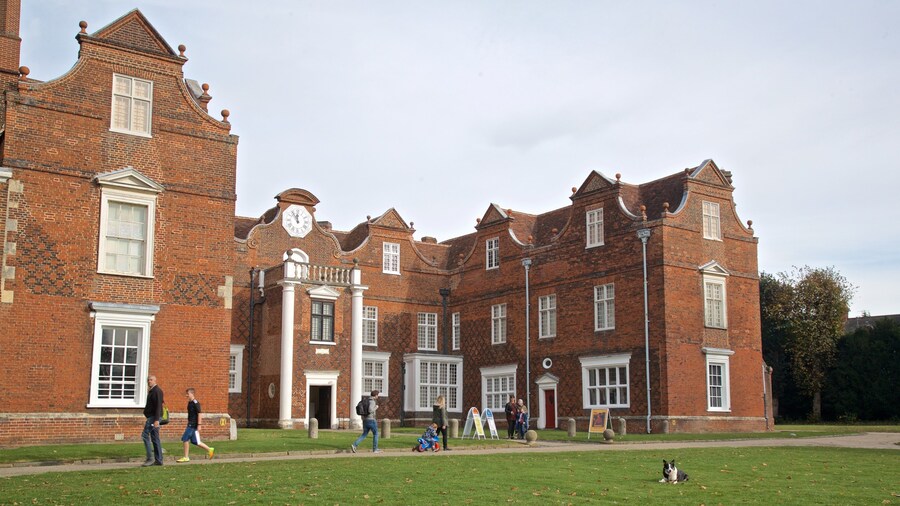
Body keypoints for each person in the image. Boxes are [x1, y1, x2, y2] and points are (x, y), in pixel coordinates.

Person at [176, 388, 215, 463]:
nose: (186, 395)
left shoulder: (195, 403)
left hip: (193, 425)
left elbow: (199, 413)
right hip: (190, 423)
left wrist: (199, 425)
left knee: (185, 439)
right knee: (195, 441)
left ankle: (186, 457)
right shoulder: (189, 403)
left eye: (187, 394)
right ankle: (210, 449)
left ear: (192, 394)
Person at [141, 374, 164, 466]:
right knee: (155, 438)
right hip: (152, 417)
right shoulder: (152, 391)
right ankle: (159, 460)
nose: (149, 381)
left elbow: (158, 406)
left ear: (155, 380)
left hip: (154, 418)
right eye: (148, 380)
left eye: (151, 380)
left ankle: (150, 458)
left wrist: (156, 420)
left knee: (145, 435)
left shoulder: (157, 391)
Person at [351, 389, 381, 453]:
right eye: (377, 395)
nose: (378, 397)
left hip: (365, 420)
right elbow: (370, 410)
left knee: (364, 434)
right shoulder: (372, 402)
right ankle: (375, 449)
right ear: (375, 395)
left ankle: (354, 445)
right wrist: (376, 407)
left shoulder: (366, 401)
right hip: (371, 420)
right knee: (376, 434)